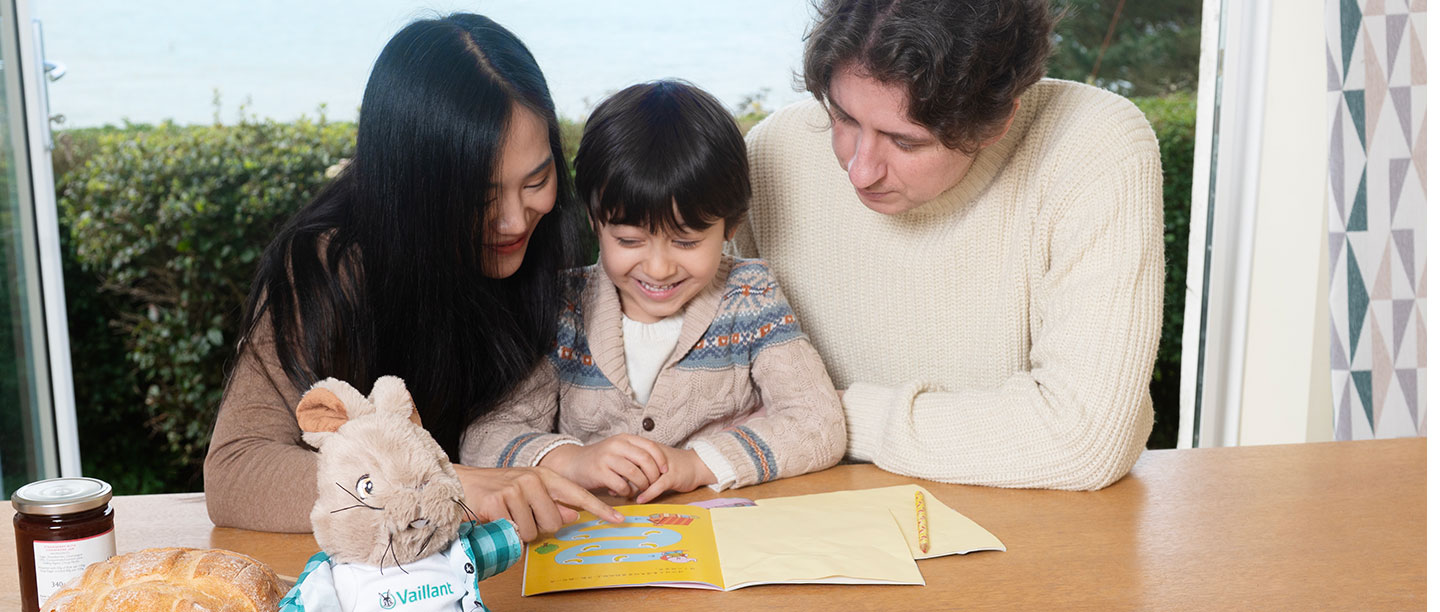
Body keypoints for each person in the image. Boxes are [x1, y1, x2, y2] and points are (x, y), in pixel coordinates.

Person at [204, 13, 623, 537]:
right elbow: (236, 470)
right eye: (479, 199)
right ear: (410, 190)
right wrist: (436, 484)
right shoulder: (330, 267)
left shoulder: (551, 241)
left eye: (536, 180)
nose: (516, 221)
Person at [730, 0, 1163, 490]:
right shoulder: (773, 152)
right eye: (843, 117)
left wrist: (816, 416)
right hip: (814, 515)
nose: (860, 169)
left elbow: (1084, 440)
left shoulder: (1092, 147)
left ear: (995, 124)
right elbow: (713, 387)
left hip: (1030, 525)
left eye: (906, 142)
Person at [461, 81, 846, 503]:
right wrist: (573, 459)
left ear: (730, 227)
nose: (659, 268)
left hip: (722, 539)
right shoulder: (565, 306)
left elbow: (819, 424)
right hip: (594, 549)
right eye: (629, 241)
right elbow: (484, 438)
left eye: (686, 242)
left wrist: (697, 464)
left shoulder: (750, 299)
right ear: (595, 222)